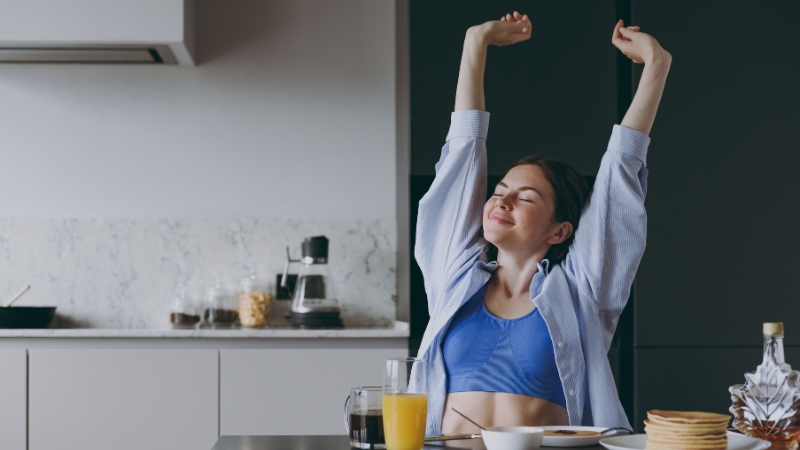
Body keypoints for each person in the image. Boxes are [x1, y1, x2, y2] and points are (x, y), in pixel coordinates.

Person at [414, 12, 671, 436]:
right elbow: (461, 161)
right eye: (499, 190)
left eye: (526, 197)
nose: (503, 200)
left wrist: (656, 67)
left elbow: (617, 180)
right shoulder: (453, 275)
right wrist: (474, 45)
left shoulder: (581, 292)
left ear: (559, 232)